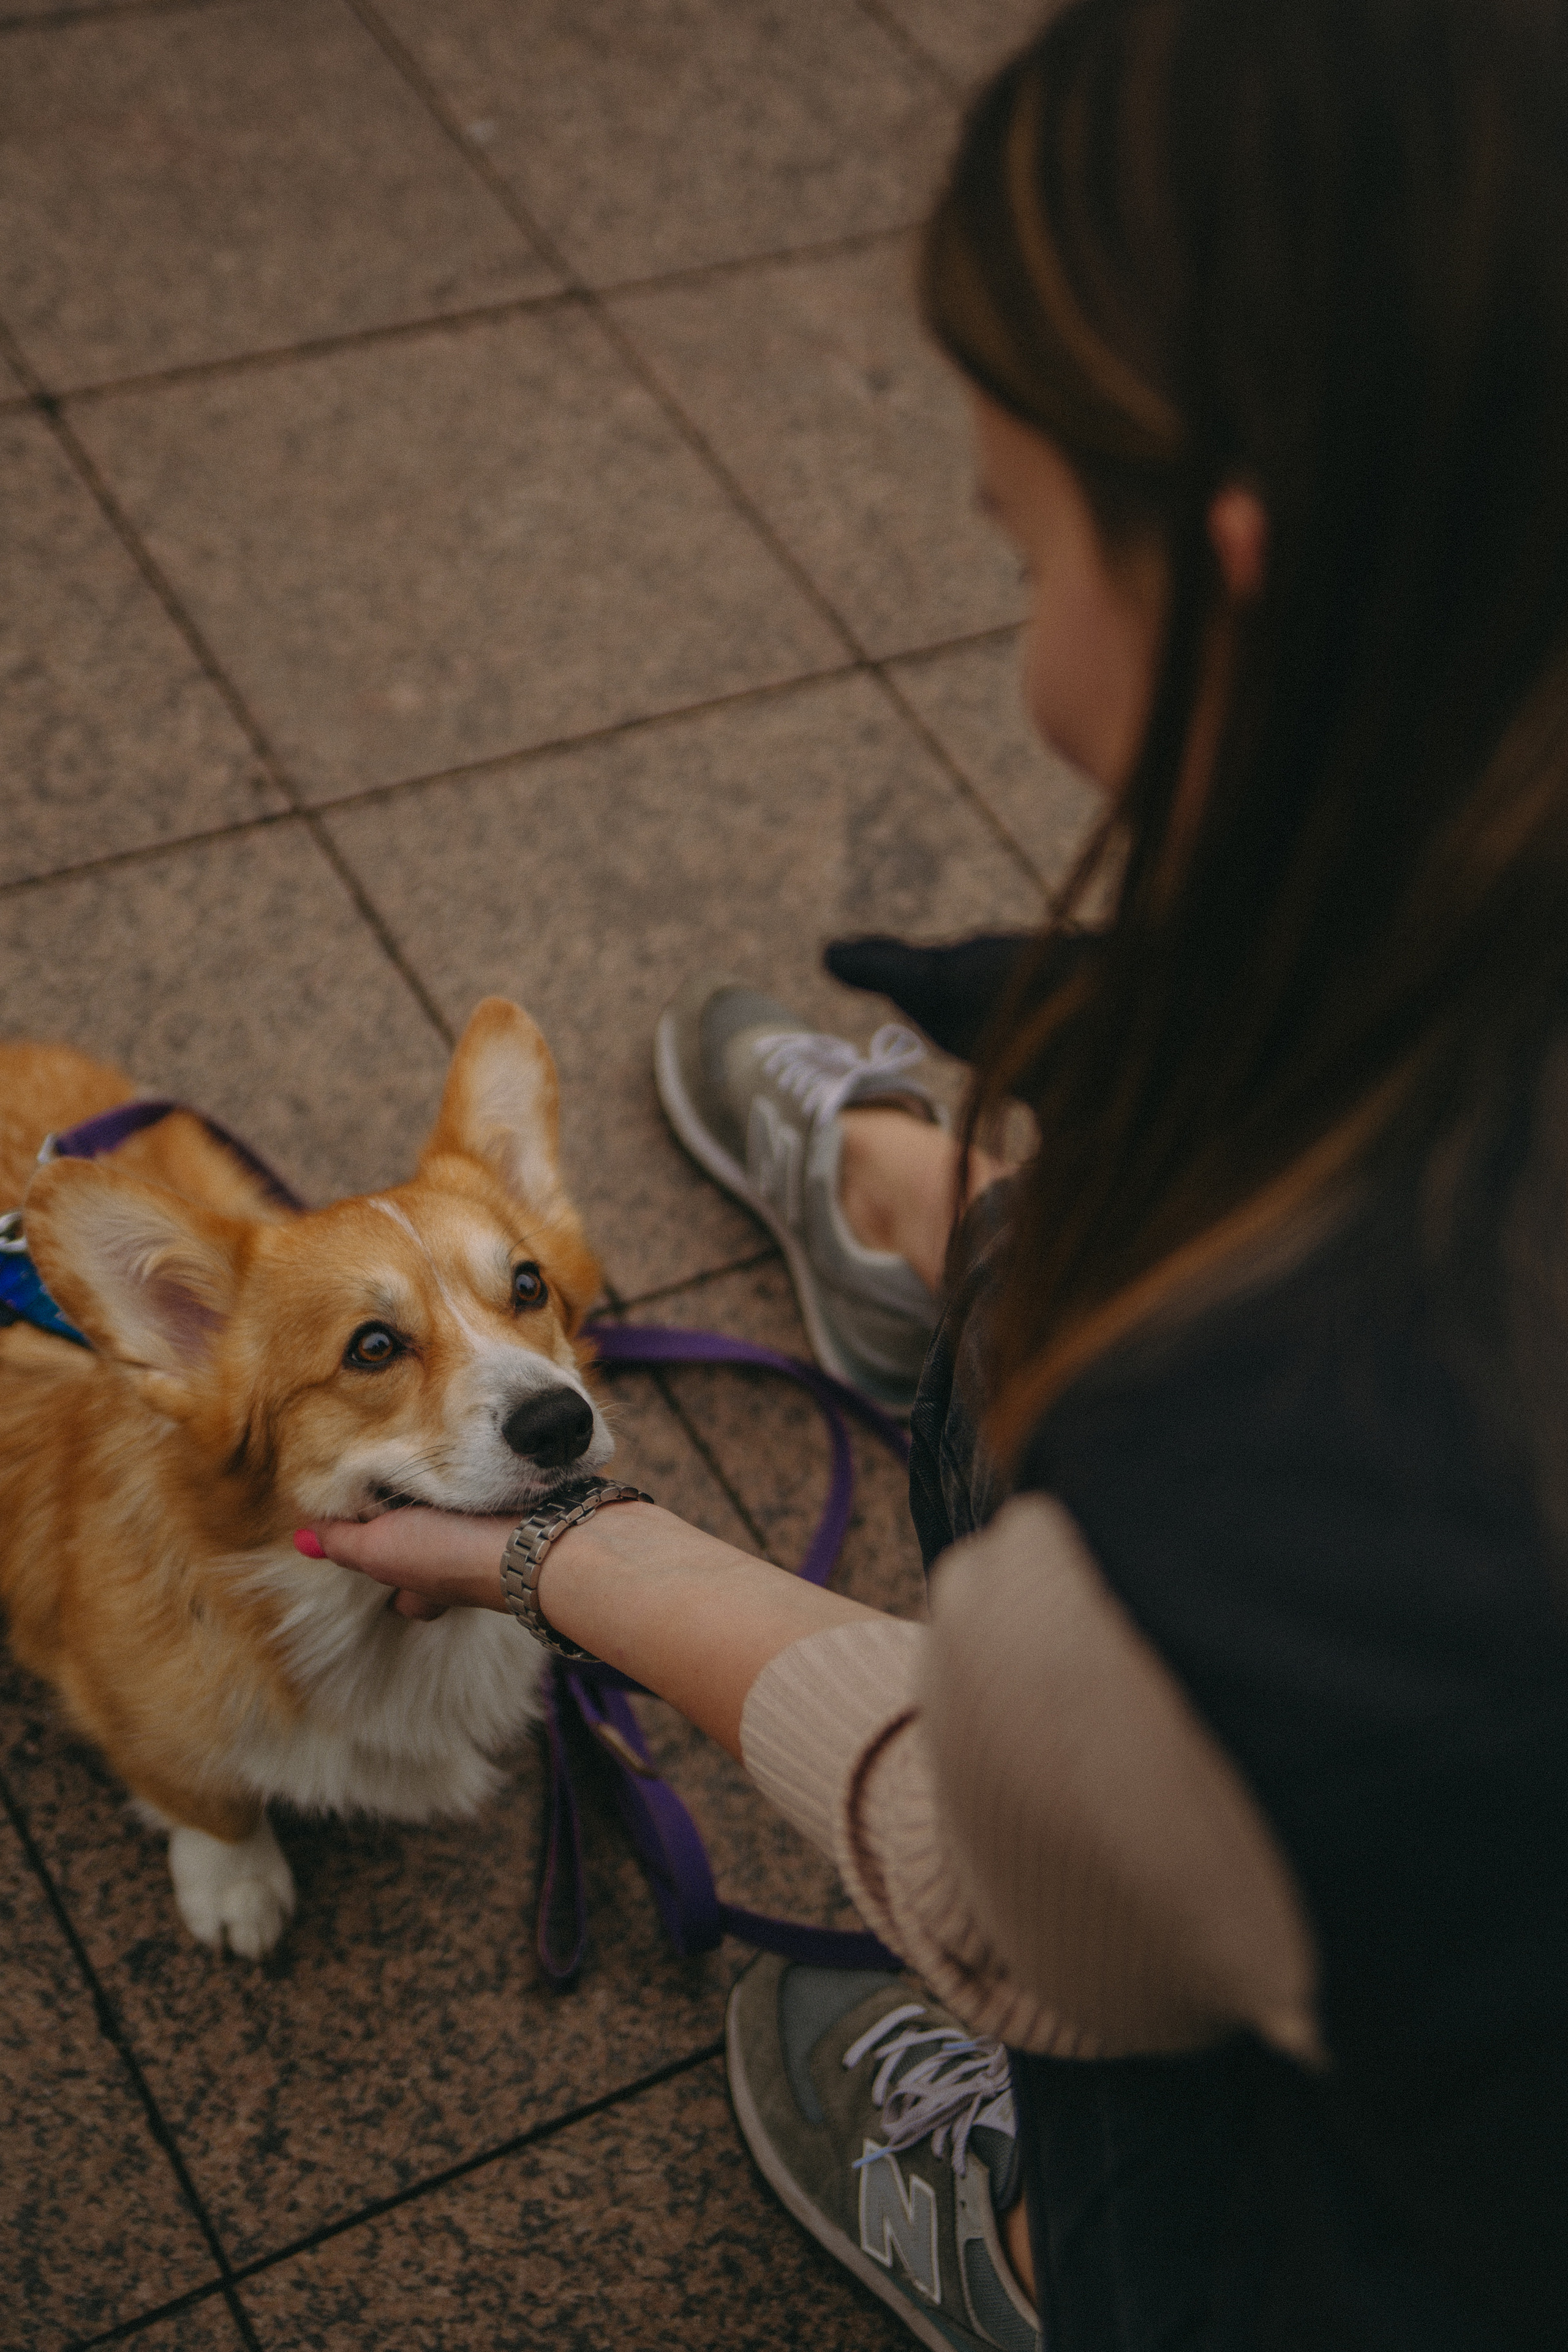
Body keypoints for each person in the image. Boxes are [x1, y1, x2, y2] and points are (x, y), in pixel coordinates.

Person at [300, 1, 1568, 2342]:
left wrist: (585, 1557)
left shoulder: (1285, 1505)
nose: (1017, 646)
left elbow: (1012, 1890)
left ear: (1236, 582)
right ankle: (923, 1207)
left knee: (1143, 2091)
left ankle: (1016, 2245)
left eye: (1017, 545)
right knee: (1016, 1316)